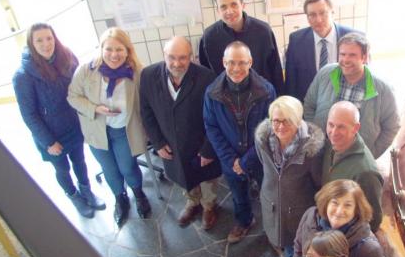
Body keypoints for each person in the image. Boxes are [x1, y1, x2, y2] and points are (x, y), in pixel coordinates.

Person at [12, 22, 105, 217]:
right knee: (62, 168)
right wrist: (48, 142)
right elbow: (29, 114)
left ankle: (86, 190)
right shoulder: (23, 76)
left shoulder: (67, 56)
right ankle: (73, 195)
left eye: (49, 38)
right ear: (31, 43)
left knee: (80, 161)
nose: (46, 44)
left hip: (74, 124)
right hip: (51, 135)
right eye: (39, 40)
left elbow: (81, 85)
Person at [68, 27, 151, 227]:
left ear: (127, 51)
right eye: (109, 49)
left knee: (127, 167)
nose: (114, 55)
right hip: (97, 131)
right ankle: (120, 198)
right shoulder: (87, 70)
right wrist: (95, 108)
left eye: (119, 50)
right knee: (109, 170)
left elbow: (148, 101)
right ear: (101, 49)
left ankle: (139, 194)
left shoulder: (137, 73)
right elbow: (73, 96)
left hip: (124, 130)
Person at [139, 36, 222, 229]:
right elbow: (146, 111)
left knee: (207, 178)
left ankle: (209, 206)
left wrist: (209, 149)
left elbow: (217, 116)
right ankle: (192, 202)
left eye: (183, 58)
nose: (177, 63)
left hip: (200, 142)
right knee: (182, 176)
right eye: (172, 57)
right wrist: (157, 143)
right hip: (170, 143)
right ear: (164, 55)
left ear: (191, 57)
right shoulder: (148, 75)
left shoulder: (207, 77)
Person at [204, 41, 276, 243]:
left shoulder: (267, 91)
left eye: (242, 62)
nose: (236, 68)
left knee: (268, 193)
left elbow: (270, 128)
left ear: (251, 62)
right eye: (231, 63)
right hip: (231, 158)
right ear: (223, 62)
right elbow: (211, 127)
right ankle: (244, 221)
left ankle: (272, 228)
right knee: (238, 194)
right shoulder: (212, 93)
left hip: (260, 156)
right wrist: (231, 160)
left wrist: (248, 159)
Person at [303, 32, 400, 158]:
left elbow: (392, 127)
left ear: (364, 57)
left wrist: (371, 153)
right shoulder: (325, 74)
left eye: (352, 55)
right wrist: (315, 137)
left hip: (355, 158)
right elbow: (309, 105)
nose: (346, 60)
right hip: (322, 154)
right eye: (342, 54)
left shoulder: (383, 89)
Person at [255, 96, 324, 257]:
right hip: (271, 204)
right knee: (278, 239)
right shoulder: (262, 141)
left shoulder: (311, 149)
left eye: (288, 121)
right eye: (276, 120)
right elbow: (264, 164)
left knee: (294, 251)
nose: (280, 126)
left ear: (299, 120)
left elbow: (317, 181)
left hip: (298, 212)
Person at [197, 0, 284, 93]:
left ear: (243, 5)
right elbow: (206, 74)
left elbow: (275, 68)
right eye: (223, 7)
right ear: (218, 10)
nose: (229, 11)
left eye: (234, 5)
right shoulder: (209, 36)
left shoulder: (263, 31)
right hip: (225, 100)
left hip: (261, 97)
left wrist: (280, 97)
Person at [282, 0, 361, 102]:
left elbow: (365, 76)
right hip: (310, 109)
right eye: (312, 15)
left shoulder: (354, 37)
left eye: (323, 13)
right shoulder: (296, 40)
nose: (318, 20)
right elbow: (291, 84)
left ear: (333, 13)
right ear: (307, 17)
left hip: (345, 105)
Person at [321, 101, 384, 232]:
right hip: (325, 227)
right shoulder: (331, 146)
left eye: (341, 127)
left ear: (355, 128)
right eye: (331, 125)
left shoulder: (366, 172)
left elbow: (373, 220)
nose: (333, 132)